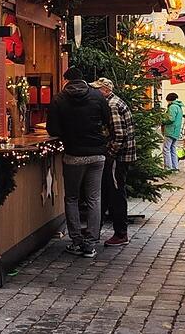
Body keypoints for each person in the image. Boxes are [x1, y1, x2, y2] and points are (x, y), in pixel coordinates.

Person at [47, 67, 111, 258]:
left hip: (74, 155)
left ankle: (76, 241)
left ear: (66, 79)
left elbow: (53, 129)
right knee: (94, 199)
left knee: (72, 198)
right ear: (83, 79)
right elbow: (107, 120)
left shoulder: (59, 99)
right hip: (97, 155)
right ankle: (91, 244)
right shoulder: (97, 96)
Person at [91, 78, 136, 247]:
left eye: (97, 89)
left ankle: (120, 233)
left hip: (119, 157)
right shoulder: (114, 102)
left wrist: (109, 154)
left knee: (116, 193)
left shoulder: (111, 105)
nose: (95, 93)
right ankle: (100, 228)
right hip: (123, 155)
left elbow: (119, 134)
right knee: (110, 191)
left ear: (105, 90)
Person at [162, 93, 184, 171]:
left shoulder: (172, 107)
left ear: (169, 100)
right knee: (173, 149)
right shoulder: (179, 107)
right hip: (176, 131)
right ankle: (175, 167)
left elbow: (171, 119)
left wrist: (163, 121)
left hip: (170, 130)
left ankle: (168, 168)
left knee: (166, 149)